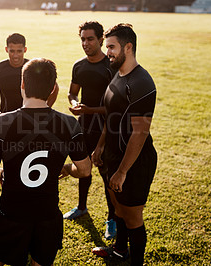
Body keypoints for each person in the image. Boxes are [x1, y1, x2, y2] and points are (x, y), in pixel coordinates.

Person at [0, 58, 92, 266]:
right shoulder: (69, 124)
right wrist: (67, 168)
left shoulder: (0, 123)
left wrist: (3, 173)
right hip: (47, 216)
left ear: (22, 84)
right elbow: (85, 170)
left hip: (10, 214)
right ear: (52, 89)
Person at [91, 24, 157, 265]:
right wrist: (100, 146)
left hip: (134, 162)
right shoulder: (117, 75)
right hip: (112, 155)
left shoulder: (142, 82)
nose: (107, 51)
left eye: (111, 47)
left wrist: (122, 171)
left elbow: (140, 133)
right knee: (118, 209)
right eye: (107, 46)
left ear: (128, 47)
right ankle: (120, 251)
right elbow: (112, 116)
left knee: (132, 217)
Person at [63, 21, 117, 240]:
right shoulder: (79, 66)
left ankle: (112, 219)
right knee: (83, 168)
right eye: (82, 39)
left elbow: (116, 106)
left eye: (90, 39)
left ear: (101, 39)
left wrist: (89, 109)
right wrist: (75, 103)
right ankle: (82, 206)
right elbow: (72, 92)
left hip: (106, 128)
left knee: (106, 175)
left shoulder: (111, 67)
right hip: (84, 126)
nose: (85, 43)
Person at [0, 33, 58, 120]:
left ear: (25, 49)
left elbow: (55, 87)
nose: (15, 56)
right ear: (6, 49)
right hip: (6, 119)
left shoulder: (33, 68)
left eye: (19, 51)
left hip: (31, 117)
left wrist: (45, 111)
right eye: (12, 51)